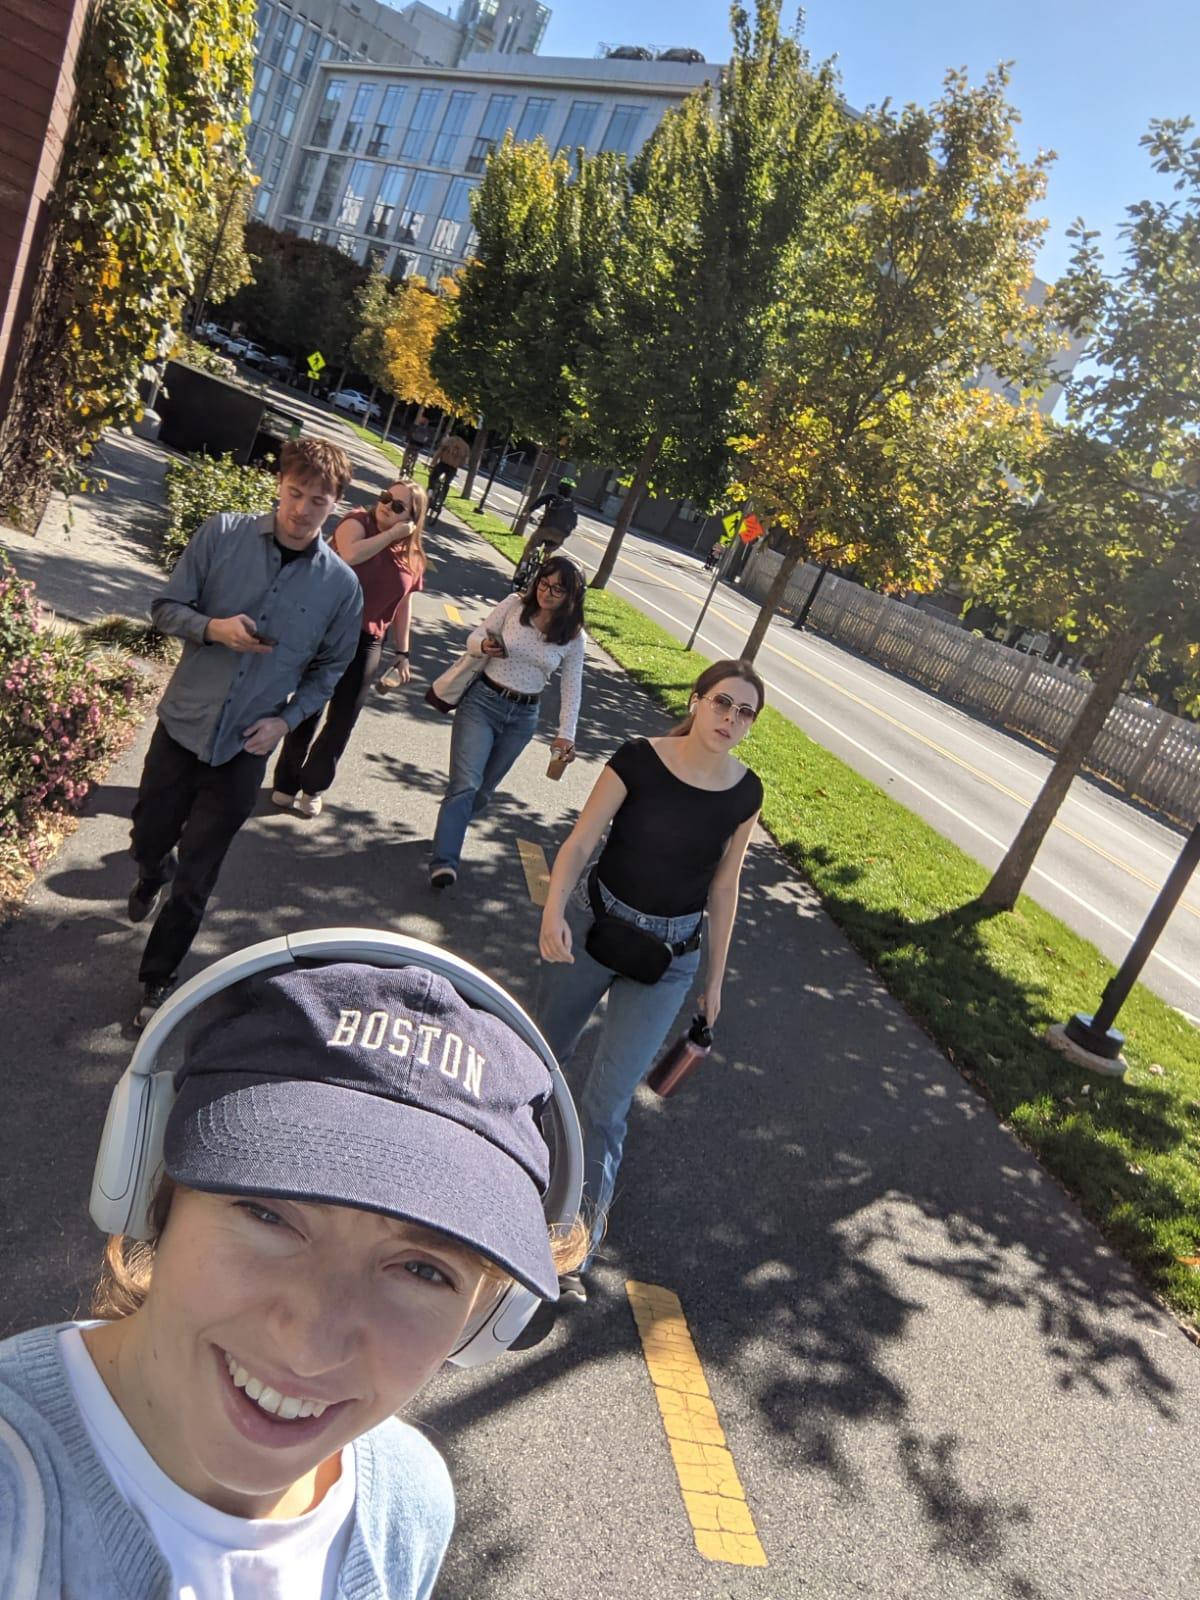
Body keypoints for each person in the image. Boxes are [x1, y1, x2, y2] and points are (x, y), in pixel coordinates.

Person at [0, 950, 587, 1599]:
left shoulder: (411, 1505)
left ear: (485, 1320)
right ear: (151, 1192)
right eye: (267, 1213)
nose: (309, 1347)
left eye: (422, 1270)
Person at [535, 660, 765, 1299]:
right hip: (592, 929)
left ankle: (570, 1251)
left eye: (745, 712)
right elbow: (583, 842)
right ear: (696, 700)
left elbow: (725, 886)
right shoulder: (637, 759)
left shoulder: (746, 793)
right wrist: (554, 910)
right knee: (538, 1064)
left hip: (670, 959)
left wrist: (715, 981)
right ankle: (492, 1180)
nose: (729, 720)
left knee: (606, 1106)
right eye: (722, 703)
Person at [126, 437, 362, 1028]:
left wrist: (285, 720)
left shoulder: (341, 587)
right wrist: (212, 629)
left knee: (200, 873)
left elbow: (330, 669)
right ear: (279, 484)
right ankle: (152, 868)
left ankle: (158, 979)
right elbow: (164, 607)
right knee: (150, 836)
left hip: (246, 746)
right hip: (183, 724)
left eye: (318, 500)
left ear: (336, 504)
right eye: (295, 493)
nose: (303, 509)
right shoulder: (223, 535)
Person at [271, 479, 428, 817]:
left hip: (368, 640)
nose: (387, 505)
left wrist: (403, 652)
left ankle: (313, 786)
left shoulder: (412, 555)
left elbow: (402, 607)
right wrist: (391, 535)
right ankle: (286, 781)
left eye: (398, 505)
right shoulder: (357, 521)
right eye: (386, 498)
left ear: (413, 517)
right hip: (327, 630)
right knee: (308, 707)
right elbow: (352, 554)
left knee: (343, 719)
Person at [429, 555, 587, 891]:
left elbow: (572, 687)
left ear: (572, 598)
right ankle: (445, 860)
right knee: (466, 784)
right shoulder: (515, 606)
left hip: (523, 717)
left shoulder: (573, 636)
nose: (546, 593)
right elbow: (475, 637)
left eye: (557, 590)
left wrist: (565, 736)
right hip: (482, 702)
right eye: (544, 583)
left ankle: (450, 828)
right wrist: (484, 645)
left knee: (483, 793)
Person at [517, 479, 578, 570]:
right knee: (548, 552)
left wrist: (527, 513)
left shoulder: (551, 497)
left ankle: (523, 568)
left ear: (559, 487)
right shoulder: (572, 505)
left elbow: (537, 504)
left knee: (529, 547)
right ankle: (542, 572)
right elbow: (574, 523)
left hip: (545, 530)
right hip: (559, 536)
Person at [425, 431, 470, 506]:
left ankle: (430, 491)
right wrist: (458, 463)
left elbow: (440, 451)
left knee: (433, 477)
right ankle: (441, 499)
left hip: (443, 463)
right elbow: (465, 462)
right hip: (453, 468)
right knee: (447, 483)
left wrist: (433, 462)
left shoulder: (449, 440)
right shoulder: (466, 447)